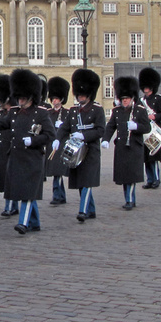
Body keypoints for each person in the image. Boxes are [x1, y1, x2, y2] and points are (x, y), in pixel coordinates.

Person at [0, 69, 55, 234]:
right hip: (17, 157)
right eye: (19, 98)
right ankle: (35, 222)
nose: (21, 100)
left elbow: (50, 135)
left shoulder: (41, 113)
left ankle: (23, 223)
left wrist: (33, 140)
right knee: (25, 192)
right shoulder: (14, 112)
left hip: (32, 159)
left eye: (23, 98)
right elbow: (1, 123)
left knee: (27, 193)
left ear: (31, 97)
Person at [57, 69, 105, 223]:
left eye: (83, 95)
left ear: (89, 95)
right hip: (76, 153)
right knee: (80, 183)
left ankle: (82, 211)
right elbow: (65, 128)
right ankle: (90, 209)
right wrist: (57, 139)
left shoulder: (97, 110)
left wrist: (84, 135)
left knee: (86, 182)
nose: (81, 97)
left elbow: (100, 130)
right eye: (79, 95)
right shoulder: (73, 111)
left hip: (90, 151)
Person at [102, 76, 151, 209]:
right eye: (123, 99)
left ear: (132, 98)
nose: (124, 101)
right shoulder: (116, 111)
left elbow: (147, 128)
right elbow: (111, 126)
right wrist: (105, 139)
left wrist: (136, 127)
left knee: (131, 176)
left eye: (127, 99)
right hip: (122, 147)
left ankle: (129, 200)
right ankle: (130, 199)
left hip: (134, 146)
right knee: (124, 177)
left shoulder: (139, 110)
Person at [0, 74, 17, 217]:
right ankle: (9, 205)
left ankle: (11, 206)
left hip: (12, 149)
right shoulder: (0, 113)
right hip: (2, 150)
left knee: (11, 180)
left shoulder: (16, 113)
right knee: (4, 180)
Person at [139, 68, 161, 189]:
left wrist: (154, 116)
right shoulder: (142, 100)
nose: (145, 89)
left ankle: (156, 179)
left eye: (147, 86)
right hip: (145, 131)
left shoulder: (158, 98)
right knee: (146, 158)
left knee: (154, 157)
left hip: (155, 131)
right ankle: (150, 179)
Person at [45, 76, 71, 205]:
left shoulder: (66, 113)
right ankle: (59, 195)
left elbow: (71, 128)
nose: (54, 101)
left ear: (61, 99)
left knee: (58, 172)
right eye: (53, 99)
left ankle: (58, 195)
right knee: (55, 172)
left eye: (56, 99)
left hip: (61, 145)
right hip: (51, 145)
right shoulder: (48, 113)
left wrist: (63, 124)